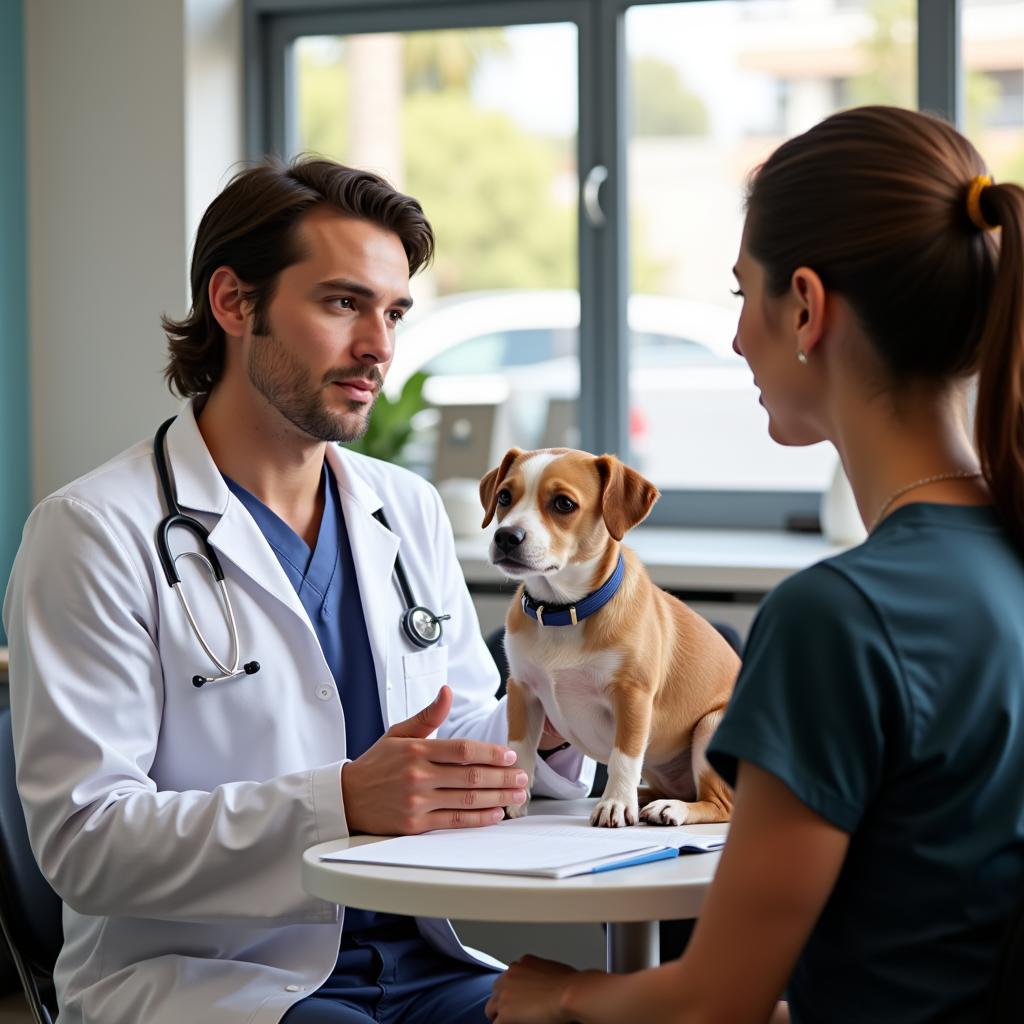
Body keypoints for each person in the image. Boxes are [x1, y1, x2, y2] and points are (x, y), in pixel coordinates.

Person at [2, 157, 592, 1024]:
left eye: (391, 312)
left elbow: (459, 727)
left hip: (422, 966)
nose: (379, 347)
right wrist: (341, 801)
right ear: (235, 303)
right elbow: (87, 842)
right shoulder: (92, 530)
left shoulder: (407, 508)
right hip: (208, 979)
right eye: (342, 303)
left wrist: (550, 726)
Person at [484, 105, 1024, 1024]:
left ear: (806, 307)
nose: (736, 339)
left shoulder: (841, 616)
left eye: (742, 296)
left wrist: (563, 993)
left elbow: (715, 1003)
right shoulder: (1001, 558)